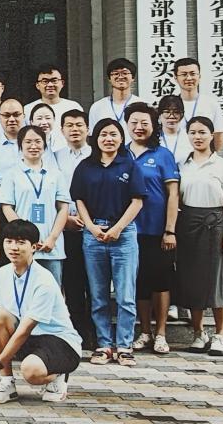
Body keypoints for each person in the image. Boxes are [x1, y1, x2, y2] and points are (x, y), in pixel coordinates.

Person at [0, 219, 81, 405]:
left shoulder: (44, 280)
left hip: (59, 342)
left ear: (34, 247)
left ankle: (58, 375)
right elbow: (1, 321)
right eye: (9, 241)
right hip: (29, 339)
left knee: (31, 372)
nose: (13, 247)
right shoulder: (3, 272)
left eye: (21, 242)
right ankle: (7, 383)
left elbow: (24, 329)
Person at [70, 119, 146, 367]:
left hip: (123, 235)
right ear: (96, 139)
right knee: (98, 294)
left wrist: (117, 228)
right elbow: (79, 200)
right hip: (93, 235)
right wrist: (91, 227)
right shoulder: (85, 166)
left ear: (121, 139)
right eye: (103, 134)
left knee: (125, 295)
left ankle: (124, 346)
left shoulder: (130, 165)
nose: (108, 139)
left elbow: (137, 201)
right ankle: (103, 345)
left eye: (113, 134)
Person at [175, 116, 223, 357]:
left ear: (212, 135)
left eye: (202, 132)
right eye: (193, 132)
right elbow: (175, 198)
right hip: (187, 223)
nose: (197, 136)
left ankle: (220, 335)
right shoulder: (181, 164)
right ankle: (198, 333)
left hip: (215, 224)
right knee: (191, 278)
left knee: (216, 280)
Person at [125, 103, 180, 355]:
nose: (139, 127)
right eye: (134, 122)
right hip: (128, 231)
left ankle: (161, 333)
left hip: (157, 230)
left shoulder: (162, 154)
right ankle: (145, 331)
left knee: (160, 281)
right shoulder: (121, 153)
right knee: (139, 282)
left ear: (153, 125)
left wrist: (170, 230)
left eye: (144, 122)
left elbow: (173, 194)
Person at [0, 126, 70, 285]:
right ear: (20, 145)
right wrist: (25, 237)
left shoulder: (56, 174)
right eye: (28, 142)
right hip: (22, 246)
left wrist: (52, 238)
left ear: (44, 145)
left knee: (52, 290)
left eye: (38, 141)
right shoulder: (11, 174)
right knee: (23, 290)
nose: (33, 146)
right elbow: (7, 207)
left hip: (51, 247)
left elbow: (63, 208)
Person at [53, 109, 94, 348]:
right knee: (72, 281)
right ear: (62, 130)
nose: (75, 129)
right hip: (65, 226)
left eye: (79, 125)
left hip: (94, 227)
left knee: (95, 282)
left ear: (87, 128)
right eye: (69, 125)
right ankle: (78, 332)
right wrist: (65, 218)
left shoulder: (96, 154)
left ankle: (96, 333)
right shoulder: (55, 156)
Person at [23, 64, 83, 148]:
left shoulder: (73, 107)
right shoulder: (27, 109)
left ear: (62, 83)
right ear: (37, 85)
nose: (50, 85)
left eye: (54, 80)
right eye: (45, 81)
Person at [174, 58, 223, 151]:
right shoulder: (170, 105)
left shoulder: (211, 104)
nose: (189, 78)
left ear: (199, 76)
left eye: (193, 74)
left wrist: (209, 156)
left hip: (202, 157)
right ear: (175, 78)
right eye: (184, 74)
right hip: (174, 156)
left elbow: (218, 135)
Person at [88, 58, 144, 141]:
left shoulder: (143, 105)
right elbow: (93, 136)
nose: (120, 77)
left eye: (125, 73)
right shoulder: (97, 107)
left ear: (133, 77)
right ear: (109, 79)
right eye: (116, 73)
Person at [0, 98, 25, 184]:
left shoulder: (36, 143)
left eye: (16, 115)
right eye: (6, 115)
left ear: (23, 116)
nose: (11, 119)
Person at [157, 94, 193, 164]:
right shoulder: (153, 136)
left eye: (176, 112)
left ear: (182, 115)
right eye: (167, 112)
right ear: (159, 114)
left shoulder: (189, 136)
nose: (171, 116)